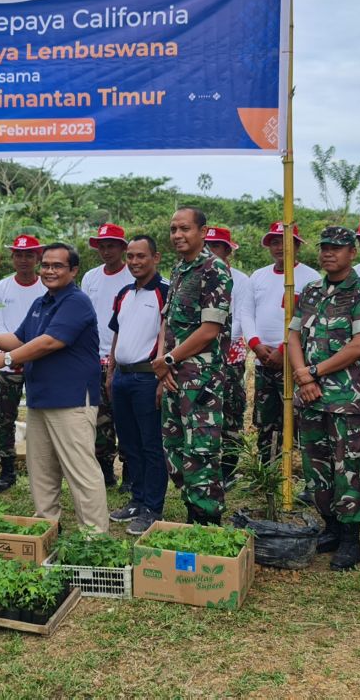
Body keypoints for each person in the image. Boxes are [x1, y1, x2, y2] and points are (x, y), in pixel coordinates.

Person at [0, 243, 109, 532]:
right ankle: (47, 529)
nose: (49, 270)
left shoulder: (76, 302)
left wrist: (6, 359)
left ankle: (95, 536)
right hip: (40, 399)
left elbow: (50, 341)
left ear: (73, 270)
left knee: (81, 472)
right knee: (42, 471)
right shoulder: (41, 303)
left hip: (71, 400)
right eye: (46, 265)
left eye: (57, 265)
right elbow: (19, 338)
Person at [287, 226, 360, 570]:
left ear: (351, 253)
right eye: (325, 247)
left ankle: (351, 538)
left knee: (348, 467)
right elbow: (294, 335)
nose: (329, 253)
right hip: (310, 394)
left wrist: (313, 373)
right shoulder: (311, 291)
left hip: (346, 398)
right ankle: (330, 526)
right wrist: (302, 374)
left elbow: (359, 346)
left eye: (337, 248)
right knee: (317, 466)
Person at [152, 207, 233, 525]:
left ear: (203, 231)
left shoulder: (215, 269)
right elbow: (167, 322)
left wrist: (168, 360)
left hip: (201, 383)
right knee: (175, 451)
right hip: (172, 377)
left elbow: (209, 331)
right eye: (173, 229)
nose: (177, 235)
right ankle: (193, 513)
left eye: (184, 228)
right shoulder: (179, 270)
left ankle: (208, 523)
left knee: (201, 453)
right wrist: (161, 364)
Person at [106, 235, 169, 535]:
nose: (134, 262)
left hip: (147, 377)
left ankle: (152, 507)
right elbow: (117, 334)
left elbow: (167, 338)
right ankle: (137, 498)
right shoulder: (124, 293)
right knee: (129, 443)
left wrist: (162, 379)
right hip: (122, 377)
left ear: (156, 258)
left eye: (141, 256)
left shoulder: (165, 292)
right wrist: (111, 372)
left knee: (151, 444)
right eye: (130, 256)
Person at [248, 222, 319, 462]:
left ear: (297, 245)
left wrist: (283, 350)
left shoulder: (311, 278)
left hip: (294, 362)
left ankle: (301, 475)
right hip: (263, 360)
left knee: (300, 420)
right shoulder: (258, 276)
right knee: (266, 421)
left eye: (286, 242)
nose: (280, 247)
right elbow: (247, 313)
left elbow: (311, 323)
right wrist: (256, 345)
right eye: (275, 242)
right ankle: (267, 472)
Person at [0, 234, 46, 493]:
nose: (23, 260)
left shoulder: (47, 287)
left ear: (38, 257)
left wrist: (26, 354)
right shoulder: (0, 288)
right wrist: (17, 354)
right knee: (5, 418)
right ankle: (7, 470)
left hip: (41, 365)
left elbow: (48, 329)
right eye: (19, 255)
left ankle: (43, 471)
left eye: (29, 255)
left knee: (43, 418)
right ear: (12, 257)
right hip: (9, 365)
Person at [205, 226, 254, 481]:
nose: (210, 252)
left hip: (230, 353)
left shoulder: (241, 280)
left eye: (215, 247)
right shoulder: (200, 275)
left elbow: (241, 316)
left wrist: (222, 342)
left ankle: (229, 466)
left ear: (227, 251)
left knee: (232, 410)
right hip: (205, 354)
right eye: (207, 246)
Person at [82, 223, 129, 488]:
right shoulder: (90, 277)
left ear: (123, 247)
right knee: (100, 420)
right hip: (94, 358)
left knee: (124, 417)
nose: (106, 251)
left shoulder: (132, 276)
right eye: (102, 246)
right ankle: (105, 470)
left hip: (123, 359)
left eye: (112, 245)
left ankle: (130, 471)